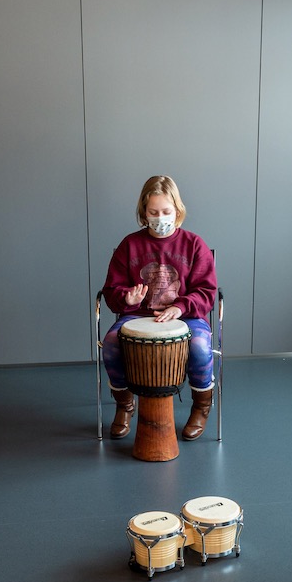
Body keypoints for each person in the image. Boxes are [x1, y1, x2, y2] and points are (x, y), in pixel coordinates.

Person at [100, 175, 218, 441]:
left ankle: (201, 407)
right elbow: (111, 292)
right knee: (110, 343)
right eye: (153, 212)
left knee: (199, 347)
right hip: (138, 317)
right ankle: (124, 405)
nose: (160, 217)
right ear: (144, 211)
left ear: (177, 210)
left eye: (166, 211)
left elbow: (207, 293)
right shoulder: (129, 245)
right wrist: (126, 299)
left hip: (186, 317)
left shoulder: (194, 245)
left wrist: (181, 307)